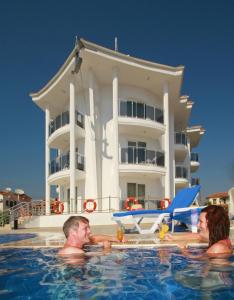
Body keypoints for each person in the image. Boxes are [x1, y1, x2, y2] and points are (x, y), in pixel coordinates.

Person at [165, 205, 232, 255]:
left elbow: (205, 269)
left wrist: (184, 251)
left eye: (201, 222)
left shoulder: (217, 248)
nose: (197, 225)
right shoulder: (224, 240)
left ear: (212, 224)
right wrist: (174, 237)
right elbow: (199, 236)